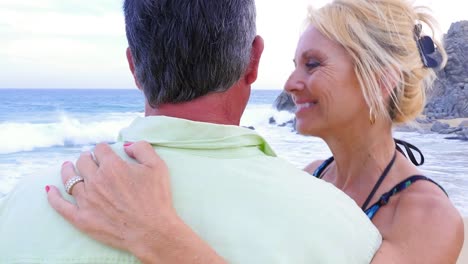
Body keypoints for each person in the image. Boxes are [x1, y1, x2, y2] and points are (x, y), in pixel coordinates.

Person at [48, 0, 465, 263]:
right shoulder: (310, 176)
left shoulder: (430, 219)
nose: (289, 83)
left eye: (313, 64)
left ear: (380, 79)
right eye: (295, 63)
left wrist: (157, 236)